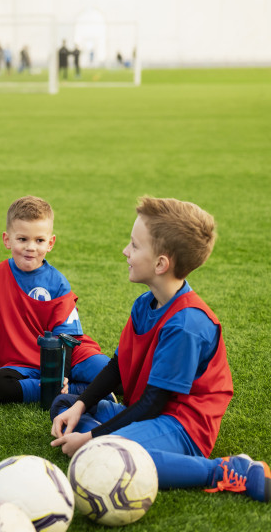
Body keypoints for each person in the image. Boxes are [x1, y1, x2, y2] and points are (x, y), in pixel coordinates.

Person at [50, 197, 270, 502]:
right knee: (63, 405)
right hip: (145, 411)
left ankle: (225, 469)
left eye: (134, 245)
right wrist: (80, 406)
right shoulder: (145, 303)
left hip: (182, 425)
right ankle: (111, 434)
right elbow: (118, 365)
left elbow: (154, 404)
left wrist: (89, 437)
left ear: (160, 264)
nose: (125, 251)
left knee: (105, 454)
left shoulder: (186, 324)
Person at [0, 196, 110, 404]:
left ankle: (65, 386)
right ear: (7, 239)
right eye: (22, 239)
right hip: (21, 363)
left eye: (39, 240)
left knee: (116, 375)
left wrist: (60, 376)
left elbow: (67, 338)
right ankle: (81, 389)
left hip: (69, 357)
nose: (31, 247)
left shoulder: (58, 282)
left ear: (50, 243)